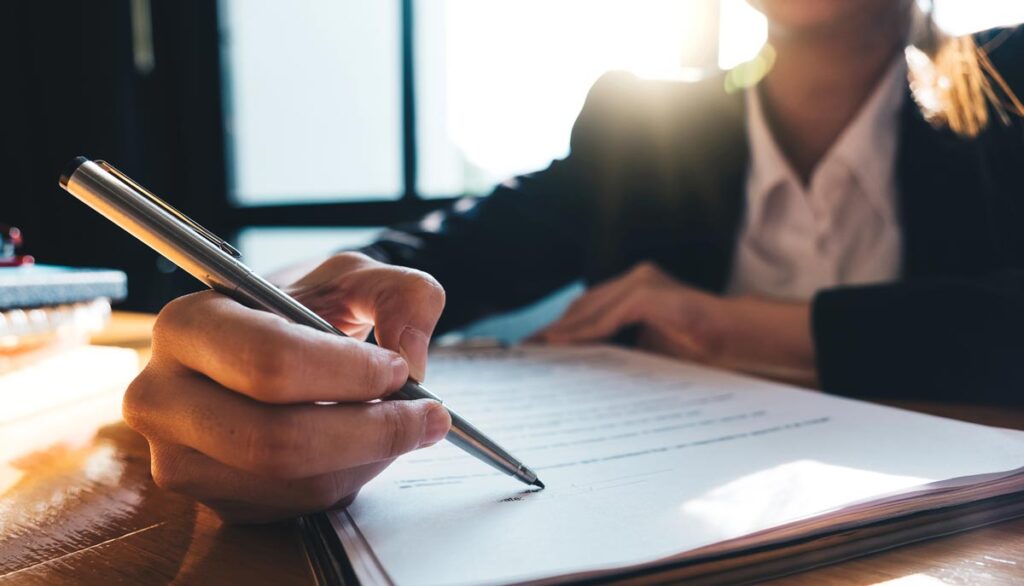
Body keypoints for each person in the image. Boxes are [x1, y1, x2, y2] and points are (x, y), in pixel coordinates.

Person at [123, 0, 1024, 522]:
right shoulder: (643, 127)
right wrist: (273, 320)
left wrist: (724, 320)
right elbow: (431, 259)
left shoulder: (1009, 85)